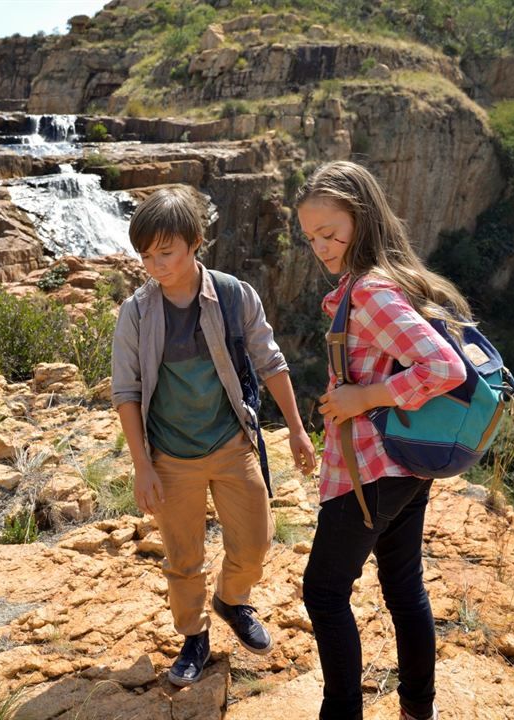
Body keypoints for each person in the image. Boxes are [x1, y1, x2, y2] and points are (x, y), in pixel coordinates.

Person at [111, 185, 317, 687]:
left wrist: (295, 429)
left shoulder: (232, 295)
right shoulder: (137, 313)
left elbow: (271, 362)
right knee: (184, 559)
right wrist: (142, 466)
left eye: (166, 253)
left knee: (255, 541)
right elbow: (126, 392)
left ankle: (232, 599)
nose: (155, 265)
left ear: (195, 242)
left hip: (232, 444)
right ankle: (194, 637)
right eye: (146, 256)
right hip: (172, 456)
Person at [296, 161, 469, 720]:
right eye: (311, 237)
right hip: (404, 463)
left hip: (369, 468)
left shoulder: (370, 291)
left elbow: (445, 368)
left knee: (324, 593)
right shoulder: (387, 278)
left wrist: (362, 399)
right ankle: (419, 708)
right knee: (402, 585)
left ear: (362, 218)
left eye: (330, 232)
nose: (321, 247)